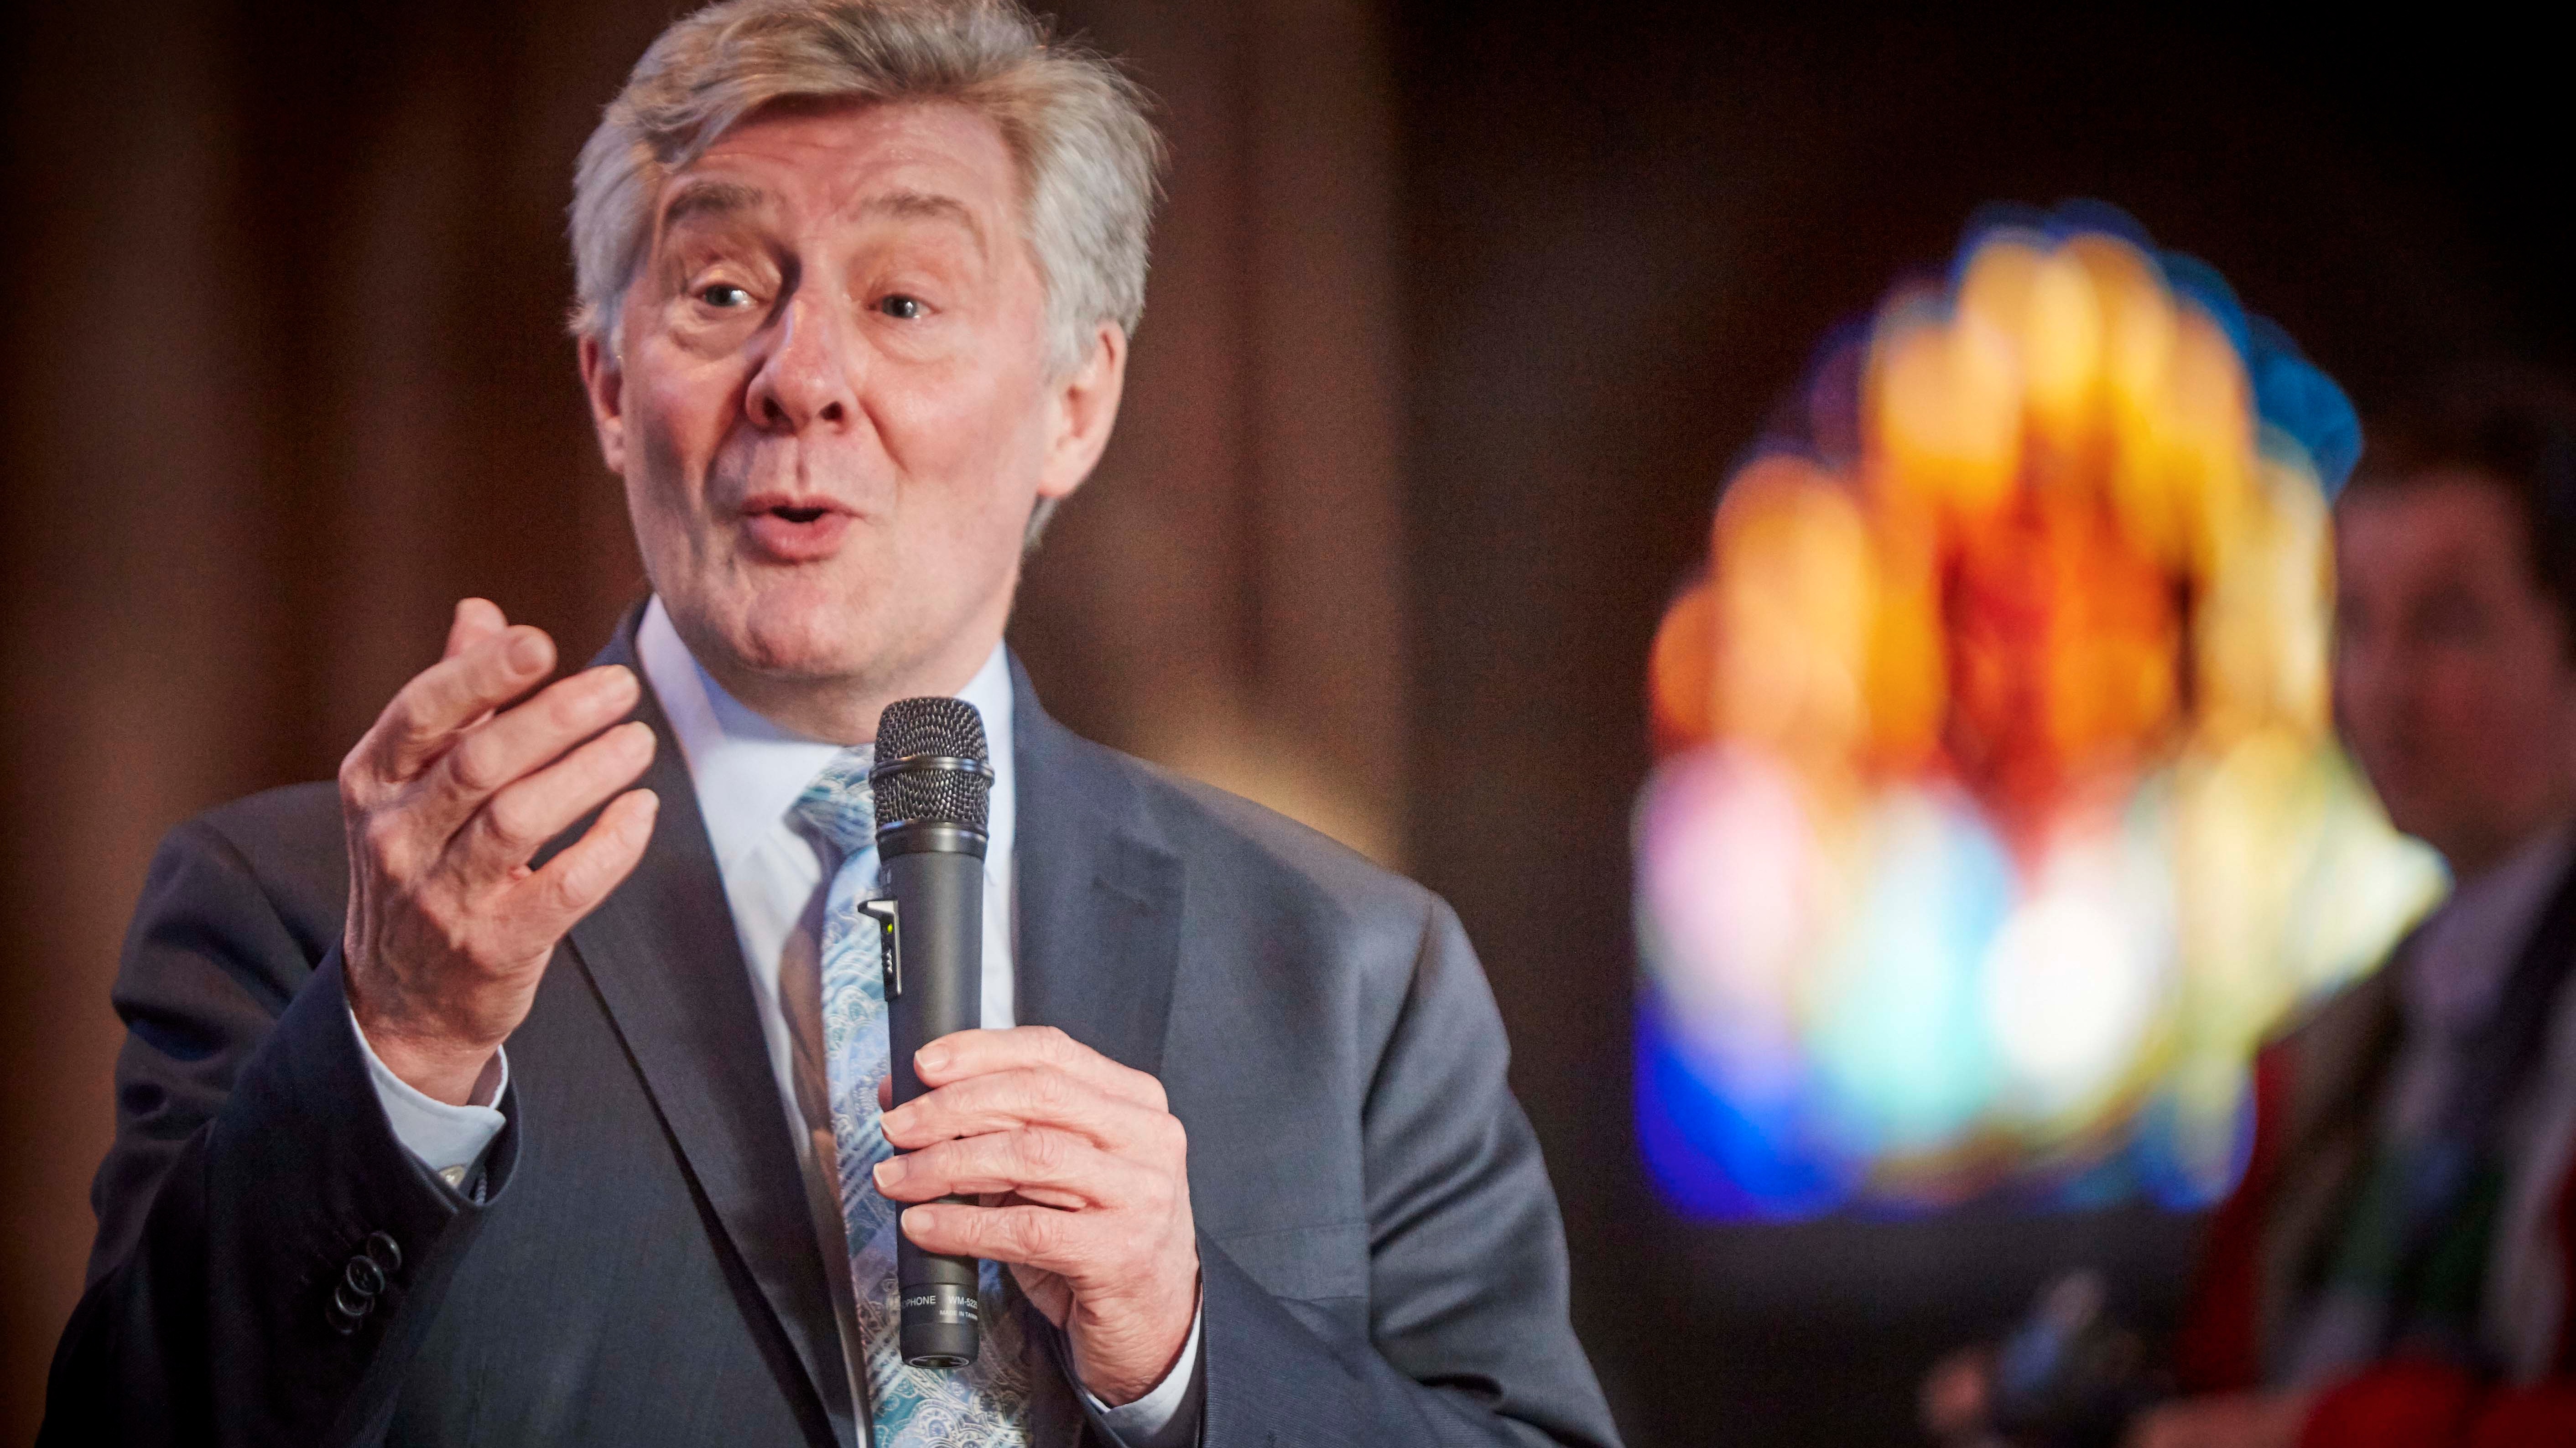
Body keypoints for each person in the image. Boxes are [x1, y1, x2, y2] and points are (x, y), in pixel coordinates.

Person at [38, 3, 1621, 1445]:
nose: (801, 378)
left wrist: (1182, 1348)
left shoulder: (1353, 972)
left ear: (1075, 402)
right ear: (608, 385)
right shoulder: (310, 917)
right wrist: (399, 1044)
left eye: (905, 298)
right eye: (722, 291)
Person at [1926, 384, 2576, 1448]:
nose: (2383, 688)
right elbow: (2240, 1373)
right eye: (2355, 623)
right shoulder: (2339, 1045)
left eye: (2447, 623)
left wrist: (2311, 1433)